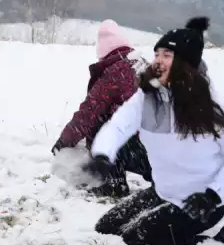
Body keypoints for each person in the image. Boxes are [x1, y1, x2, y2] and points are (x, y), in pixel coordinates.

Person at [88, 17, 224, 245]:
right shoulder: (147, 98)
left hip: (202, 201)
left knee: (136, 239)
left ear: (185, 64)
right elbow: (118, 126)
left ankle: (222, 241)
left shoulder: (216, 107)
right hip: (163, 192)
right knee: (106, 227)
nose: (158, 62)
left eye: (167, 56)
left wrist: (213, 196)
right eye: (157, 54)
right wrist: (103, 155)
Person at [51, 19, 151, 197]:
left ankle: (114, 185)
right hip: (163, 146)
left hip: (141, 148)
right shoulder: (142, 64)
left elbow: (88, 114)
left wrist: (64, 142)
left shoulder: (114, 74)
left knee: (107, 130)